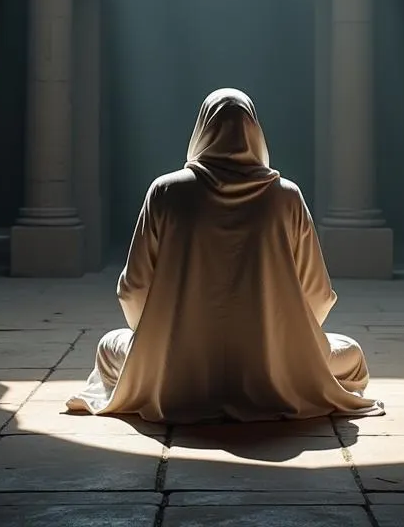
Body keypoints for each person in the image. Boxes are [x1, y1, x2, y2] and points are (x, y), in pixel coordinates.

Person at [67, 87, 384, 423]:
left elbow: (133, 289)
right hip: (271, 366)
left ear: (201, 130)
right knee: (351, 354)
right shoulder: (286, 197)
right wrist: (286, 338)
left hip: (175, 367)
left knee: (108, 346)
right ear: (255, 132)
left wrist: (159, 336)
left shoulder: (165, 191)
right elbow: (318, 293)